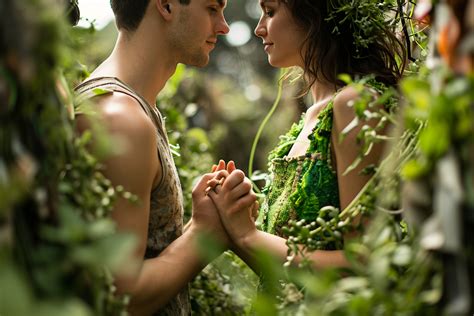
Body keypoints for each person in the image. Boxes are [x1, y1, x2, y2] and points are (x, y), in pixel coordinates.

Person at [74, 1, 255, 315]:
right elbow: (120, 298)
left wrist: (203, 218)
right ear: (167, 5)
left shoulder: (131, 108)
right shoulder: (121, 119)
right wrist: (205, 234)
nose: (223, 26)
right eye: (212, 8)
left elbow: (139, 258)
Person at [207, 0, 406, 271]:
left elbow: (365, 263)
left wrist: (248, 236)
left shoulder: (355, 104)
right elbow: (282, 273)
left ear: (312, 16)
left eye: (270, 12)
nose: (259, 29)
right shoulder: (310, 118)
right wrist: (238, 216)